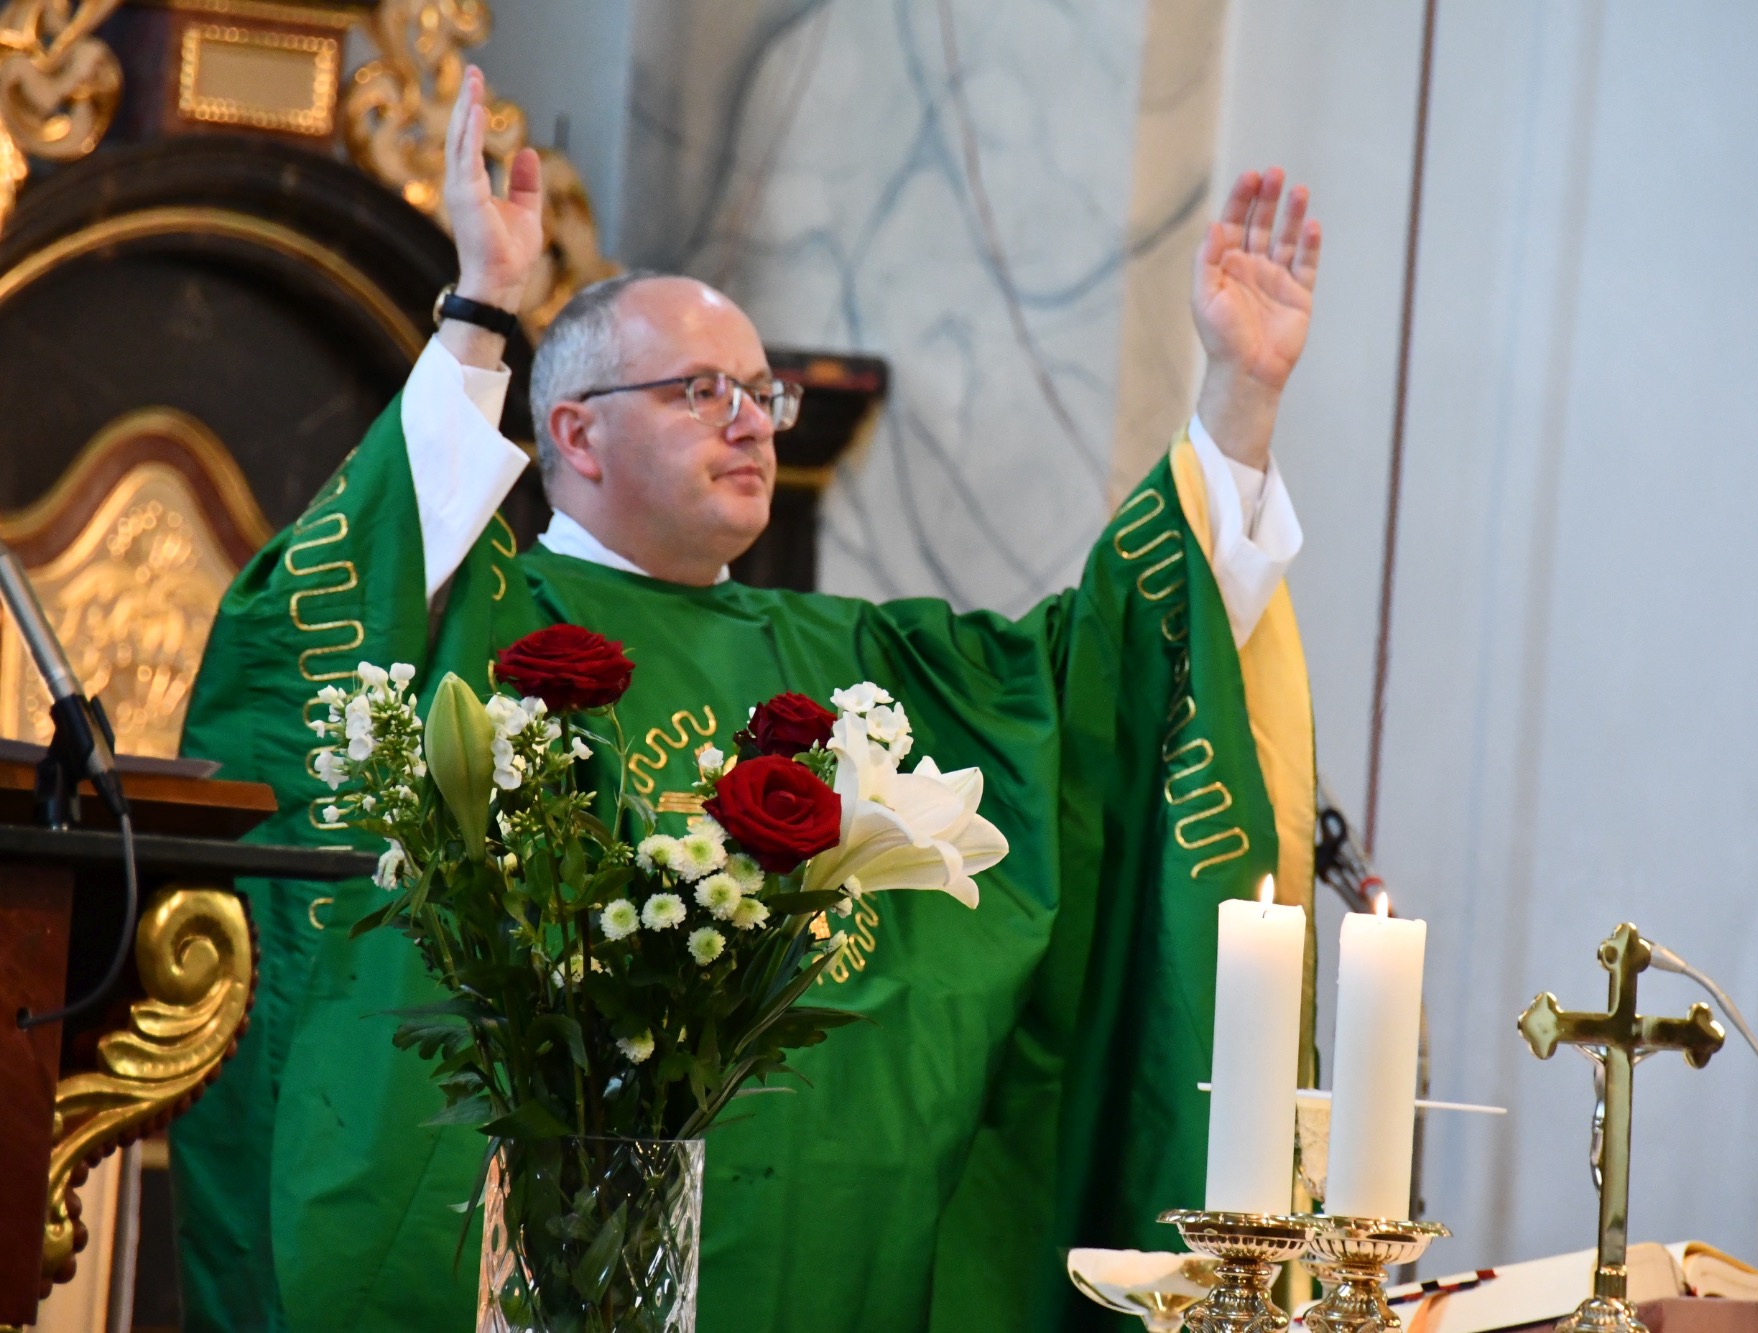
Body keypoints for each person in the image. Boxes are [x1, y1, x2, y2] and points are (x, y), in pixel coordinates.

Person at [171, 67, 1322, 1333]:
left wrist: (1238, 401)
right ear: (575, 434)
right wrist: (483, 308)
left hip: (847, 1277)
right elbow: (333, 617)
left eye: (759, 394)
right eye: (697, 391)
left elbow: (1102, 686)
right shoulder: (477, 623)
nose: (752, 424)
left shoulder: (864, 664)